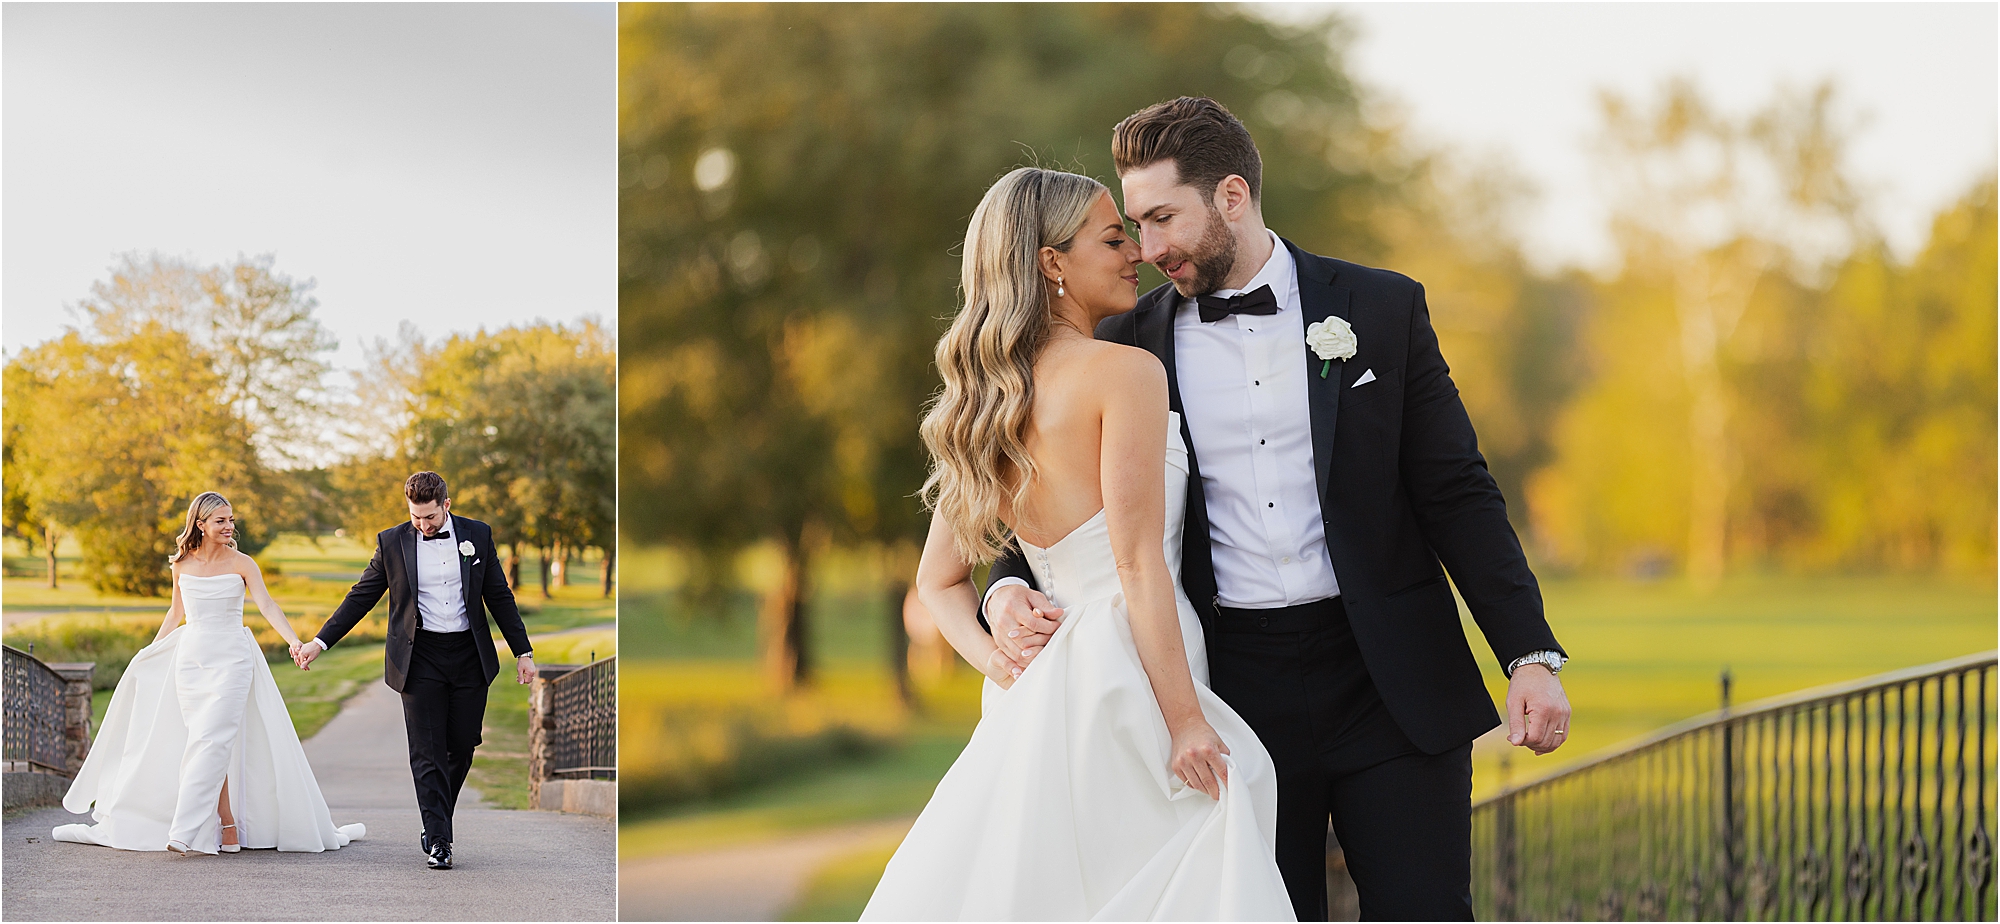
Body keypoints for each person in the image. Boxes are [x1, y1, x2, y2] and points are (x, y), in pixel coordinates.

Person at [982, 97, 1572, 921]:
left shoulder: (1381, 307)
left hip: (1389, 681)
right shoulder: (1124, 345)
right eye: (1134, 227)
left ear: (1232, 196)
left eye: (1162, 219)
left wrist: (1528, 655)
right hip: (1230, 691)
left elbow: (1457, 491)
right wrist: (1005, 587)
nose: (1146, 250)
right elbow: (1063, 503)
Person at [862, 167, 1295, 921]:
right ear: (1051, 262)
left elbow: (938, 582)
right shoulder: (1124, 373)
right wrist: (1186, 720)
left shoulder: (985, 399)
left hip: (1043, 688)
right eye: (1113, 239)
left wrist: (1002, 665)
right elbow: (1137, 564)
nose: (1138, 253)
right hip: (1135, 675)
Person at [54, 492, 366, 855]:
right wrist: (150, 652)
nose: (229, 526)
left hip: (233, 659)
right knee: (205, 741)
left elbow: (267, 604)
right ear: (200, 524)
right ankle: (227, 826)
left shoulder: (243, 563)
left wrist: (294, 641)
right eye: (220, 520)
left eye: (231, 519)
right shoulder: (181, 565)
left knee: (212, 739)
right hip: (191, 662)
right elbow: (176, 614)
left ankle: (184, 830)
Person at [294, 471, 535, 870]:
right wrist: (319, 642)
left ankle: (435, 817)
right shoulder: (392, 542)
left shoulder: (478, 535)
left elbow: (499, 595)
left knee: (463, 744)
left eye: (430, 517)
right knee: (426, 750)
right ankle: (439, 839)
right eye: (415, 517)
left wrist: (522, 651)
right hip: (419, 657)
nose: (423, 525)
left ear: (447, 505)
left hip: (469, 654)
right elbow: (361, 597)